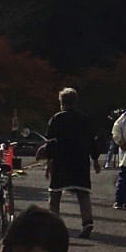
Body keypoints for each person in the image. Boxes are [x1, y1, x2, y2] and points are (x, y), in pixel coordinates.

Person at [42, 87, 99, 240]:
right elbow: (92, 142)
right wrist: (95, 159)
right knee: (83, 192)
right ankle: (87, 221)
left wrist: (49, 162)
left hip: (61, 160)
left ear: (61, 102)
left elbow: (51, 143)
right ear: (75, 102)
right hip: (80, 160)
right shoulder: (85, 119)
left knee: (55, 194)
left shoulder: (56, 118)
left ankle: (54, 225)